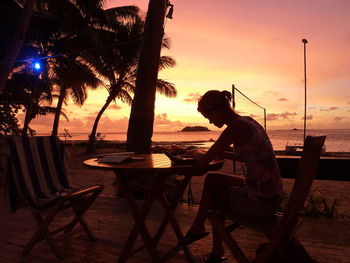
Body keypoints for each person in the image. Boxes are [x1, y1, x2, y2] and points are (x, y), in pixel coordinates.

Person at [180, 90, 284, 263]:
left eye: (209, 116)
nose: (210, 121)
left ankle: (212, 247)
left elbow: (203, 162)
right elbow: (246, 155)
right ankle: (204, 236)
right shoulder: (248, 122)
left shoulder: (235, 128)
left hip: (260, 202)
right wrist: (216, 153)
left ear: (218, 110)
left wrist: (193, 152)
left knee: (216, 194)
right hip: (272, 195)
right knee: (214, 179)